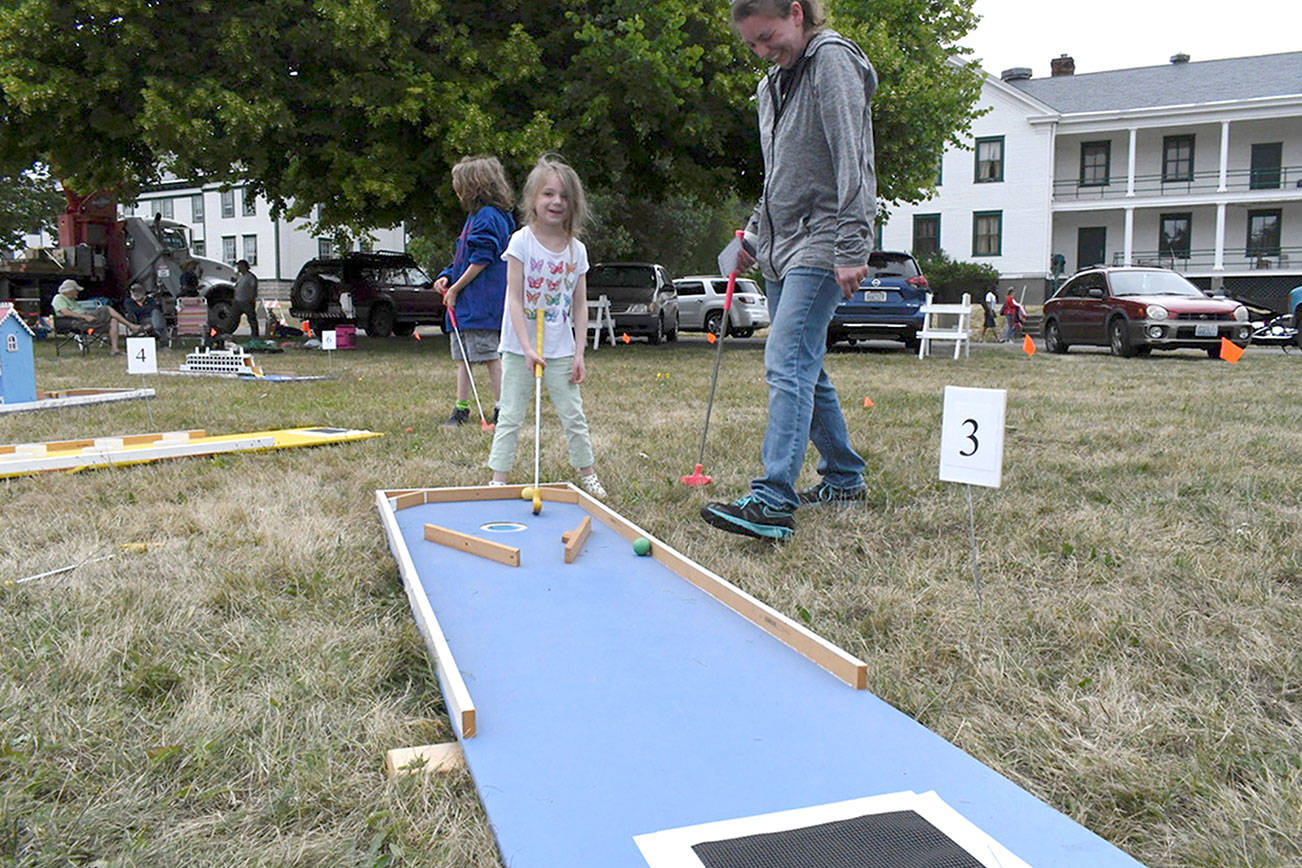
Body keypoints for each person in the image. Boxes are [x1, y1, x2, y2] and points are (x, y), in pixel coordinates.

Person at [701, 0, 875, 541]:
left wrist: (853, 244)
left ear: (797, 13)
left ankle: (773, 499)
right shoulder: (770, 86)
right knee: (805, 368)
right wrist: (753, 237)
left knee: (786, 362)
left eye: (768, 36)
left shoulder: (832, 63)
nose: (762, 50)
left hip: (823, 240)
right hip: (779, 246)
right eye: (752, 43)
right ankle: (844, 478)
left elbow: (854, 156)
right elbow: (777, 176)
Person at [487, 155, 606, 499]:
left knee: (574, 415)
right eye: (548, 194)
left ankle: (588, 473)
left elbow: (580, 306)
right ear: (532, 200)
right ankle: (498, 477)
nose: (556, 202)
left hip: (560, 348)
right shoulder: (521, 242)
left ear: (574, 204)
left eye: (564, 197)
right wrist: (526, 347)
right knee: (510, 413)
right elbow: (513, 299)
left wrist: (579, 352)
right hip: (518, 347)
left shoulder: (576, 250)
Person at [434, 155, 516, 427]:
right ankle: (460, 409)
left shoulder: (490, 218)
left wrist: (456, 289)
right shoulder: (475, 217)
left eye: (458, 184)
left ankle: (503, 409)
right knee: (463, 358)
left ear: (473, 186)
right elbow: (463, 257)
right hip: (466, 305)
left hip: (481, 303)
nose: (455, 190)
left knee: (490, 356)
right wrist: (447, 277)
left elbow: (482, 259)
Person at [50, 279, 142, 354]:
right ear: (70, 291)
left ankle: (114, 349)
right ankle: (131, 326)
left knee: (113, 321)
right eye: (76, 291)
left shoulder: (72, 300)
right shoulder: (59, 298)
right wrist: (85, 317)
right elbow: (65, 312)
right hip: (75, 322)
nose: (77, 293)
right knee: (106, 309)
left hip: (85, 320)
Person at [233, 259, 259, 336]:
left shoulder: (250, 277)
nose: (238, 268)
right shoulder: (240, 277)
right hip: (238, 301)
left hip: (247, 301)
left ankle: (255, 333)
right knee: (233, 317)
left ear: (244, 266)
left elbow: (253, 288)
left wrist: (251, 298)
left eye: (239, 266)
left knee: (251, 318)